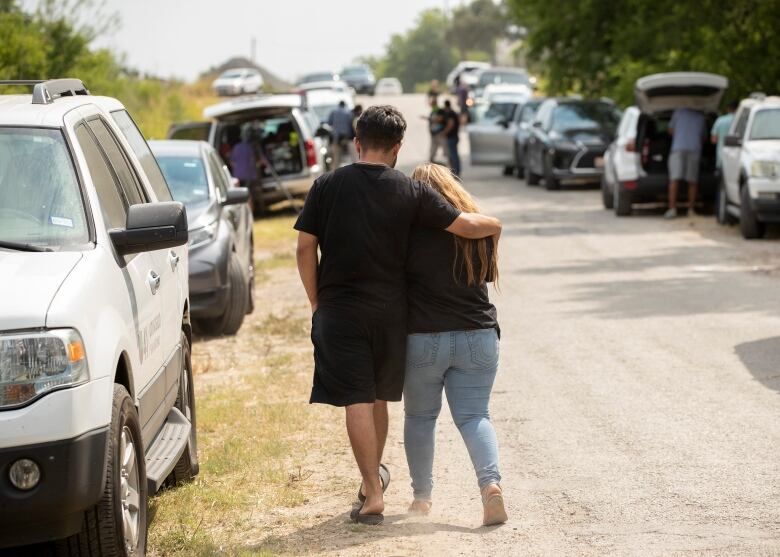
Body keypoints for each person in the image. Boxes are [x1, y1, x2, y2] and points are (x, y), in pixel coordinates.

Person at [294, 105, 502, 526]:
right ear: (397, 148)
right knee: (388, 399)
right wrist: (495, 224)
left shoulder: (326, 185)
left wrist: (316, 303)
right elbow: (465, 226)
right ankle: (482, 484)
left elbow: (304, 248)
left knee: (366, 401)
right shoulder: (411, 192)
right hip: (397, 317)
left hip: (345, 313)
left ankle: (380, 491)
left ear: (356, 142)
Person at [404, 162, 506, 526]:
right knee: (475, 416)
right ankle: (491, 487)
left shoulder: (408, 232)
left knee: (419, 417)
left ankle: (421, 499)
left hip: (422, 339)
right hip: (478, 336)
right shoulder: (476, 227)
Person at [664, 107, 707, 219]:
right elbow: (703, 137)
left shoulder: (677, 113)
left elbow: (670, 130)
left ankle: (672, 208)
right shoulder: (701, 117)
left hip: (678, 148)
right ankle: (691, 210)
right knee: (692, 181)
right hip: (694, 149)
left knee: (674, 179)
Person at [711, 100, 738, 173]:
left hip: (721, 158)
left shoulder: (720, 120)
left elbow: (714, 140)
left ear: (728, 109)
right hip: (737, 159)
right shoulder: (741, 120)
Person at [327, 100, 355, 168]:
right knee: (352, 157)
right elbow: (351, 124)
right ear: (344, 105)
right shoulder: (348, 112)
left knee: (336, 157)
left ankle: (335, 173)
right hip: (346, 137)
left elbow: (329, 123)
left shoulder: (333, 112)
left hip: (336, 137)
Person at [441, 100, 461, 175]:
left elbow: (450, 124)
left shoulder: (450, 114)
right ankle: (456, 171)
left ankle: (455, 171)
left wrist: (444, 132)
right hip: (454, 136)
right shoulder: (453, 113)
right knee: (453, 154)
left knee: (453, 155)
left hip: (452, 137)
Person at [427, 98, 446, 164]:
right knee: (433, 149)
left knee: (445, 149)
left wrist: (430, 119)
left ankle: (448, 163)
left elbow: (440, 119)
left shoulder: (439, 110)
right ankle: (432, 161)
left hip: (439, 133)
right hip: (434, 133)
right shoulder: (433, 111)